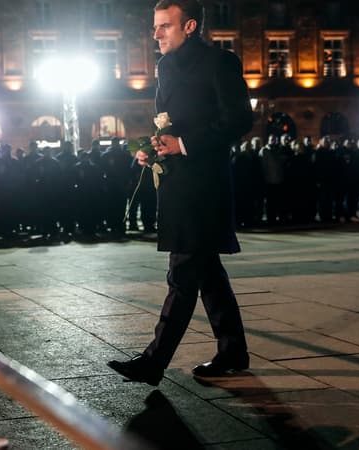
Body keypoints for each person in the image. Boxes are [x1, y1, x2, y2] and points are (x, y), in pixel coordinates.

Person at [107, 0, 253, 386]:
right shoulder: (165, 66)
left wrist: (184, 144)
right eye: (155, 27)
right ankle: (232, 349)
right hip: (176, 183)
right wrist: (153, 147)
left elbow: (239, 119)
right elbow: (171, 123)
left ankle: (153, 362)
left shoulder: (219, 62)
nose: (155, 34)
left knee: (183, 273)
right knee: (207, 274)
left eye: (164, 26)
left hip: (203, 187)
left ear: (190, 27)